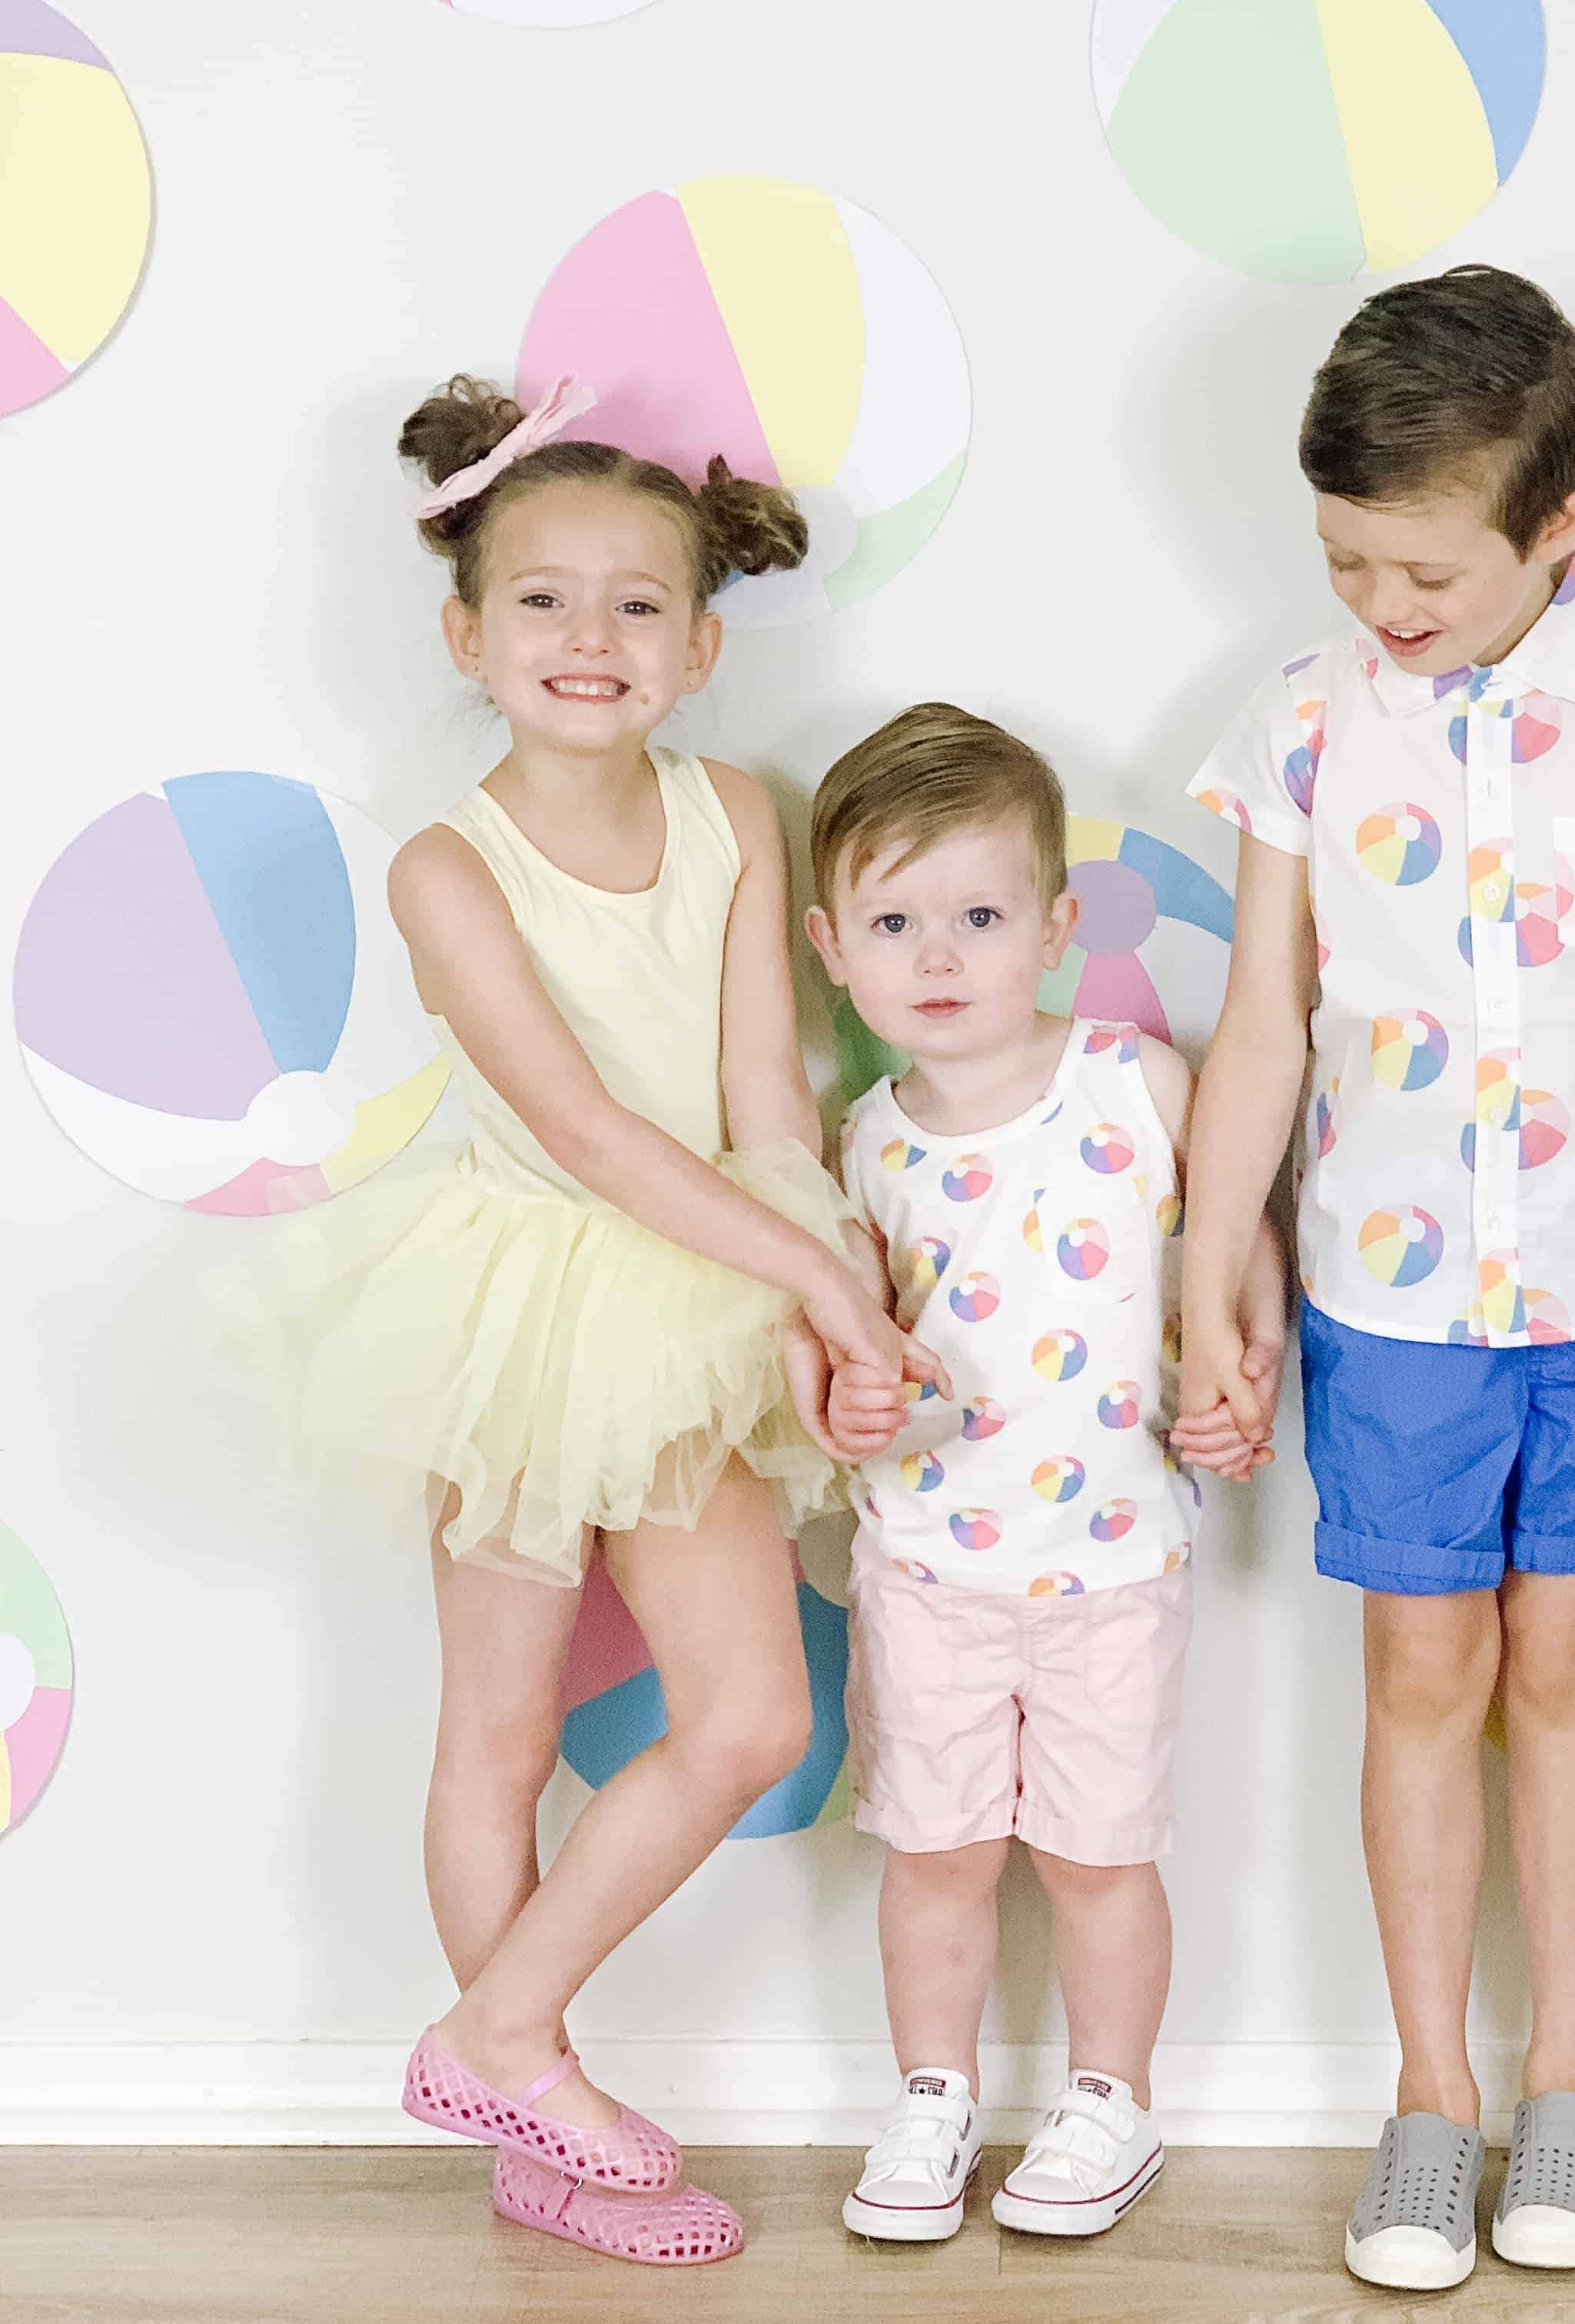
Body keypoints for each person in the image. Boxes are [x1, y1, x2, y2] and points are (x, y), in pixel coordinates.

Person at [267, 374, 942, 2266]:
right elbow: (574, 1127)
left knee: (744, 1716)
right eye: (543, 601)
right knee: (492, 1730)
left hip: (706, 1283)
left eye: (638, 605)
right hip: (517, 1296)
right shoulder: (444, 866)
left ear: (705, 642)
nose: (590, 638)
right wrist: (809, 1275)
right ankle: (536, 2133)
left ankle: (490, 2037)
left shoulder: (735, 812)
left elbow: (762, 1105)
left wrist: (820, 1279)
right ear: (468, 634)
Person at [1176, 266, 1575, 2289]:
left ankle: (1571, 2082)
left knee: (1561, 1673)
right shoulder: (1301, 724)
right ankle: (1431, 2095)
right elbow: (1263, 1024)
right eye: (1351, 560)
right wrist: (1211, 1272)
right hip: (1386, 1301)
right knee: (1423, 1677)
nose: (1383, 602)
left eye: (1425, 567)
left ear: (1560, 530)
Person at [799, 704, 1282, 2245]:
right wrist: (857, 1413)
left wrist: (1237, 1385)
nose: (938, 957)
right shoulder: (860, 1142)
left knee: (1095, 1854)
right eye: (895, 922)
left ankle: (1108, 2098)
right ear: (833, 947)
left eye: (981, 917)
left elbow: (1238, 1260)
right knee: (935, 1854)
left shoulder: (1136, 1084)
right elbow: (836, 1355)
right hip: (930, 1564)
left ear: (1059, 929)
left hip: (1114, 1565)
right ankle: (931, 2092)